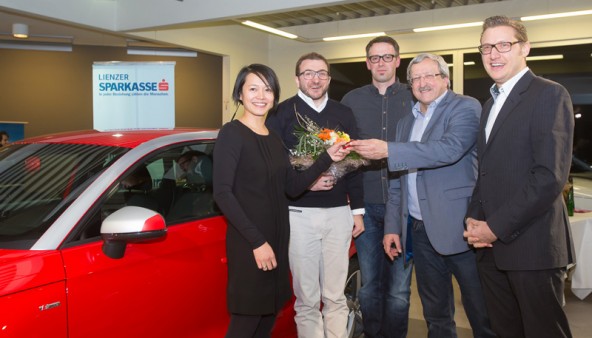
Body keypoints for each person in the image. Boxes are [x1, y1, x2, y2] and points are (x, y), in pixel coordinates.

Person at [350, 53, 495, 338]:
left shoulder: (465, 107)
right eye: (415, 78)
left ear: (445, 79)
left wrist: (390, 149)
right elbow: (397, 183)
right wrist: (393, 227)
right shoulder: (406, 122)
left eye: (429, 75)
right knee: (435, 314)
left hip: (463, 229)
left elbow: (449, 149)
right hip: (418, 229)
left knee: (482, 313)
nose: (422, 83)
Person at [213, 63, 349, 338]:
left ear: (274, 95)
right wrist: (257, 242)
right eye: (253, 88)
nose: (261, 96)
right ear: (240, 93)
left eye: (267, 89)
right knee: (246, 323)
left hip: (276, 242)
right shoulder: (232, 133)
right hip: (251, 244)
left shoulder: (274, 138)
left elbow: (293, 186)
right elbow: (222, 194)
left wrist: (327, 157)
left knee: (266, 321)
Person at [463, 15, 574, 338]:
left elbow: (549, 177)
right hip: (490, 250)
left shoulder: (548, 95)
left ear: (525, 48)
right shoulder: (490, 104)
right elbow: (486, 171)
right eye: (486, 47)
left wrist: (493, 228)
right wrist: (473, 220)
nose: (493, 54)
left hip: (532, 247)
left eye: (503, 45)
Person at [266, 52, 364, 338]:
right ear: (297, 78)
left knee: (334, 296)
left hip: (338, 214)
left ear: (329, 78)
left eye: (321, 73)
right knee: (307, 298)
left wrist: (357, 211)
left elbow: (355, 164)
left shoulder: (343, 113)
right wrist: (306, 182)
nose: (315, 79)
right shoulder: (281, 114)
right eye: (308, 73)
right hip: (298, 214)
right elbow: (275, 169)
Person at [340, 36, 414, 338]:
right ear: (367, 62)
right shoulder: (351, 101)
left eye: (387, 57)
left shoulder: (415, 96)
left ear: (398, 60)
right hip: (365, 204)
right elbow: (341, 152)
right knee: (370, 285)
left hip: (406, 207)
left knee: (399, 290)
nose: (381, 62)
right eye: (375, 57)